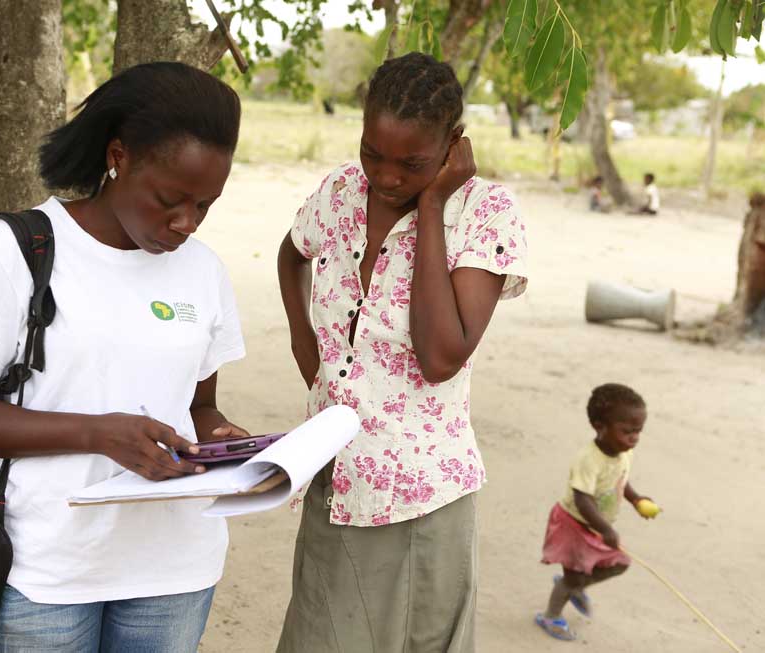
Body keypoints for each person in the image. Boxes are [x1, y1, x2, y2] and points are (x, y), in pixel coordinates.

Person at [0, 62, 247, 652]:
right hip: (48, 569)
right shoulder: (22, 250)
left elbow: (199, 404)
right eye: (171, 199)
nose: (186, 223)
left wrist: (230, 443)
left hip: (177, 569)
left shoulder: (203, 271)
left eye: (206, 205)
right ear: (118, 156)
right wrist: (100, 434)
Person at [275, 52, 528, 653]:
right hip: (334, 471)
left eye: (411, 163)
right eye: (372, 153)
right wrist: (305, 345)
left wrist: (433, 208)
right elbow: (292, 255)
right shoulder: (341, 192)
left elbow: (442, 356)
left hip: (421, 495)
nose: (385, 177)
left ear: (453, 147)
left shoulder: (485, 214)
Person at [535, 383, 658, 641]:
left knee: (618, 564)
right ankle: (551, 615)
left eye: (638, 431)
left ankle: (576, 586)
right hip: (574, 524)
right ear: (600, 426)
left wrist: (636, 500)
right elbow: (582, 499)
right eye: (627, 431)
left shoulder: (624, 453)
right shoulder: (589, 459)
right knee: (572, 576)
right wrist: (605, 528)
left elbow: (619, 481)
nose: (634, 437)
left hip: (596, 526)